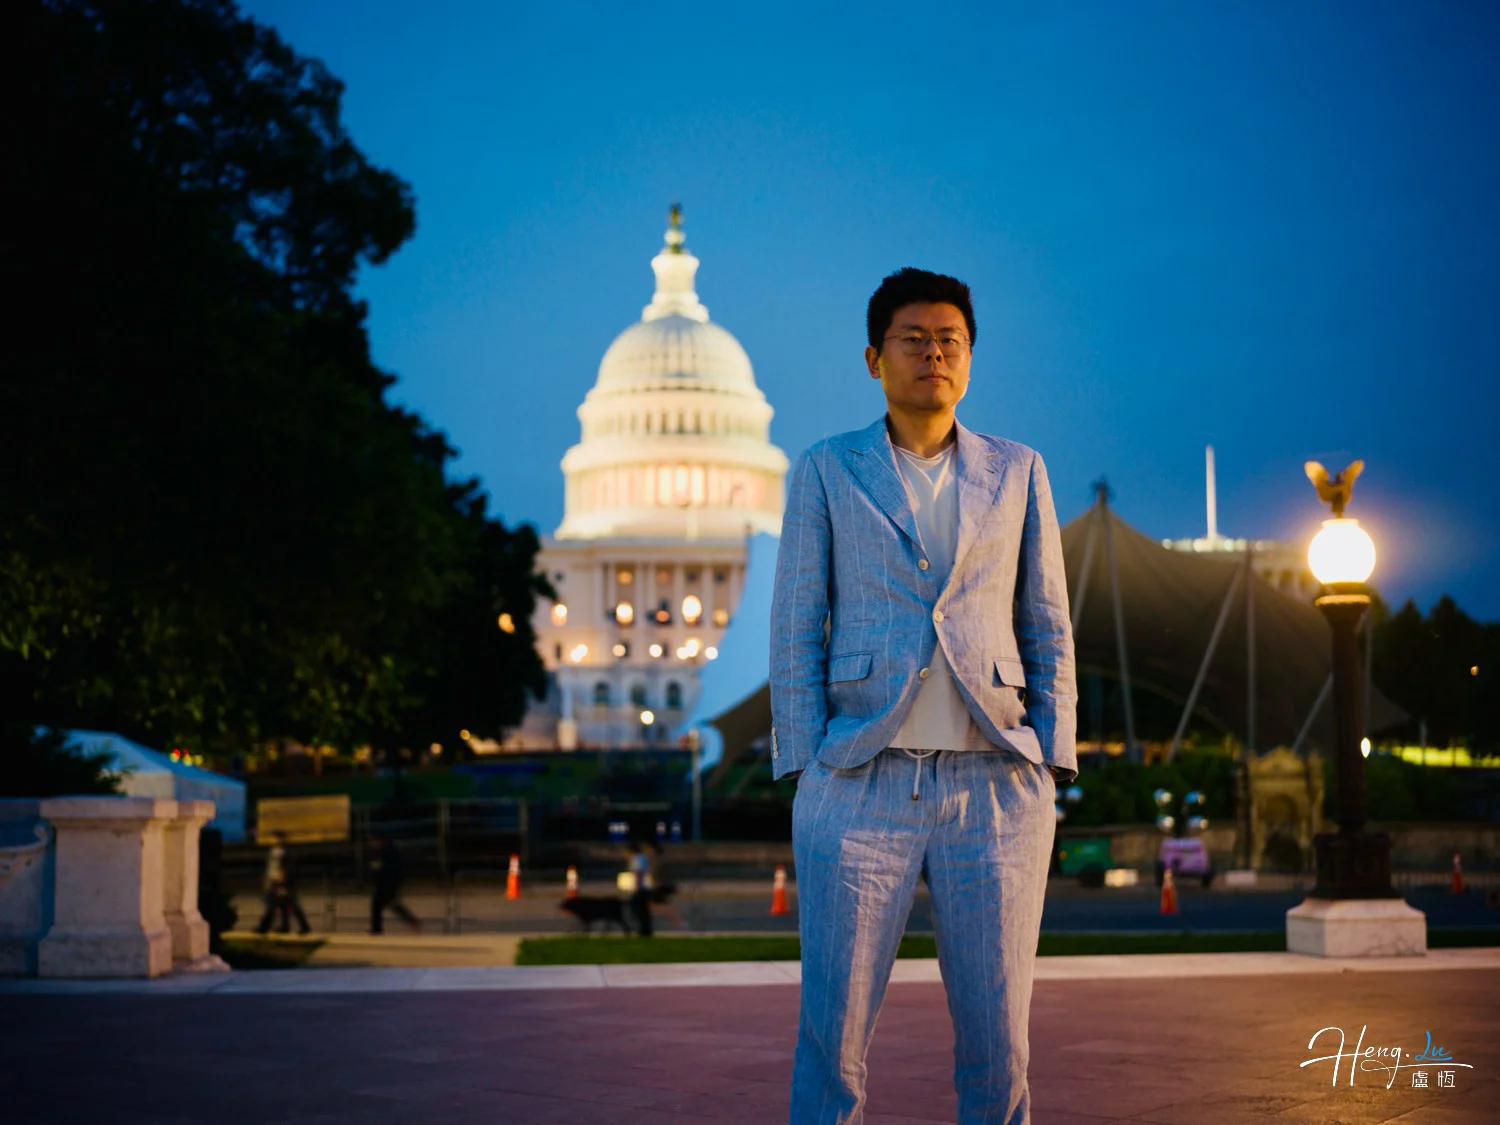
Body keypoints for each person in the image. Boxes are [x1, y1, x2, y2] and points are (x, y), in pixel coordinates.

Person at [770, 268, 1077, 1124]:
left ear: (969, 358)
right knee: (831, 1039)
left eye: (950, 339)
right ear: (874, 358)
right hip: (862, 779)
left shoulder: (1018, 470)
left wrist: (1050, 754)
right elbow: (797, 618)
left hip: (995, 783)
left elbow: (1046, 617)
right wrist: (806, 764)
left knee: (999, 1042)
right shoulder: (828, 469)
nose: (933, 353)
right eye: (913, 338)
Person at [254, 830, 311, 935]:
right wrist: (267, 879)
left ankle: (264, 927)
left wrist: (284, 881)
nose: (275, 840)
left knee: (288, 904)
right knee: (279, 904)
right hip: (273, 881)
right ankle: (282, 927)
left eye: (277, 838)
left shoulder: (287, 852)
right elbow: (269, 867)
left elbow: (289, 868)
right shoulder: (272, 852)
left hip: (283, 882)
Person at [368, 832, 421, 936]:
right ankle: (377, 928)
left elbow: (389, 867)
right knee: (383, 904)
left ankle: (411, 921)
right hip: (385, 881)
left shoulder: (389, 850)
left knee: (385, 903)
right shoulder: (384, 850)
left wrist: (378, 869)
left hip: (389, 881)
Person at [645, 839, 685, 931]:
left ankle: (678, 921)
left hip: (663, 886)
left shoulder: (657, 860)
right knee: (654, 906)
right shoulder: (657, 859)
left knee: (653, 906)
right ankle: (677, 921)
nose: (646, 851)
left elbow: (656, 875)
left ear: (652, 849)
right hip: (663, 885)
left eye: (647, 849)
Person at [625, 839, 654, 937]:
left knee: (638, 909)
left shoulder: (637, 859)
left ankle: (643, 930)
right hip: (644, 888)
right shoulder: (642, 858)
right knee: (643, 910)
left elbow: (638, 874)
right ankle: (645, 930)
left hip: (641, 888)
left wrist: (637, 887)